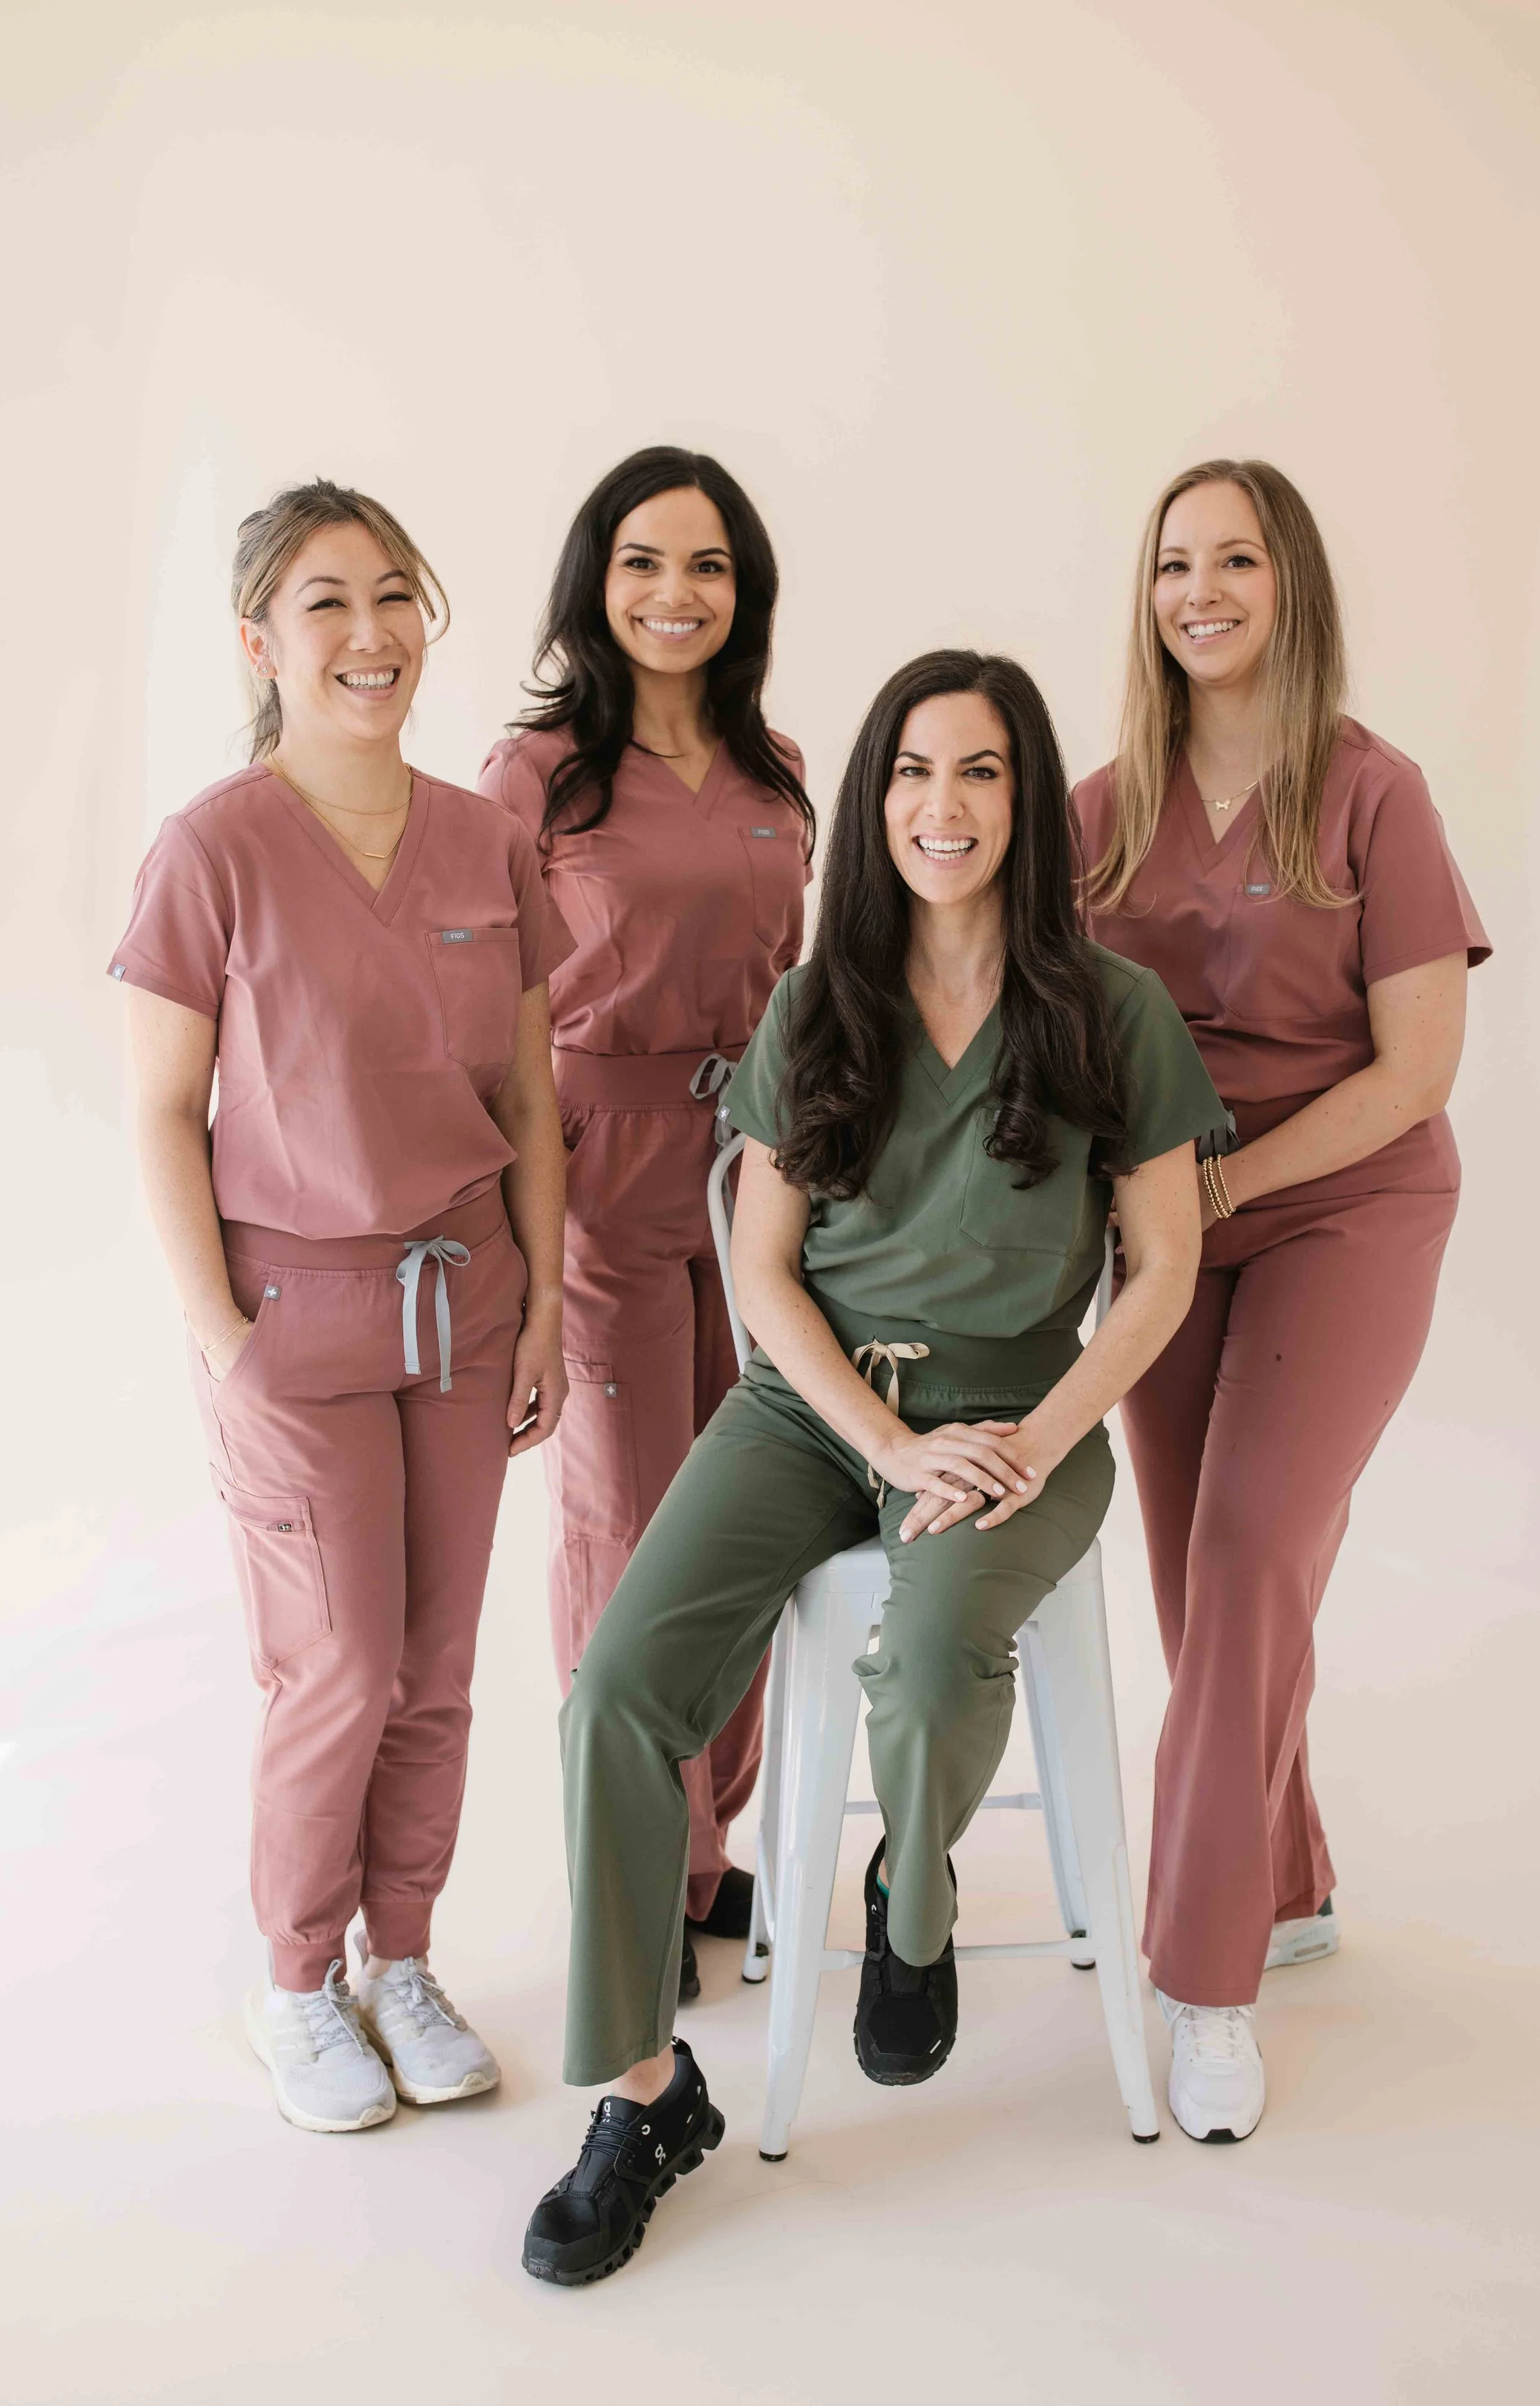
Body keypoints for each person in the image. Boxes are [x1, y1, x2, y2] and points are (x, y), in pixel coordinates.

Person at [519, 649, 1225, 2286]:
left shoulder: (1105, 1011)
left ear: (1027, 805)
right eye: (912, 771)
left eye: (979, 772)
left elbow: (1165, 1268)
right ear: (871, 801)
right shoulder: (819, 998)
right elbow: (762, 1267)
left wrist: (1031, 1442)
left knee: (920, 1664)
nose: (942, 805)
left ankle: (908, 1900)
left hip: (1016, 1424)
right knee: (616, 1685)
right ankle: (642, 2093)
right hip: (815, 1412)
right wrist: (881, 1437)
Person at [111, 480, 573, 2133]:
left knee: (436, 1665)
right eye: (327, 602)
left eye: (394, 596)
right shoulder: (212, 850)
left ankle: (404, 1959)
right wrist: (225, 1342)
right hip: (292, 1312)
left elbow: (527, 1082)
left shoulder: (485, 840)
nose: (370, 633)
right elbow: (162, 1112)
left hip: (466, 1298)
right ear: (261, 638)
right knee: (338, 1666)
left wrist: (541, 1310)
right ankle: (298, 1982)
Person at [1075, 458, 1490, 2145]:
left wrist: (1222, 1187)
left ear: (1288, 582)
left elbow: (1413, 1073)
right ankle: (1290, 1868)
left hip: (1345, 1212)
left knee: (1248, 1555)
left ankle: (1202, 1979)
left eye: (1234, 559)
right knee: (1202, 1593)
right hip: (1174, 1235)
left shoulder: (1372, 793)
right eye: (1174, 562)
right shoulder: (1102, 806)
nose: (1200, 590)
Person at [478, 447, 811, 2002]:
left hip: (754, 1171)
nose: (674, 595)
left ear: (742, 591)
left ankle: (700, 1851)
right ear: (592, 584)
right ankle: (631, 1879)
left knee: (746, 1525)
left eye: (707, 566)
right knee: (627, 1533)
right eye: (640, 563)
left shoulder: (780, 766)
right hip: (595, 1166)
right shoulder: (534, 774)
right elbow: (487, 1012)